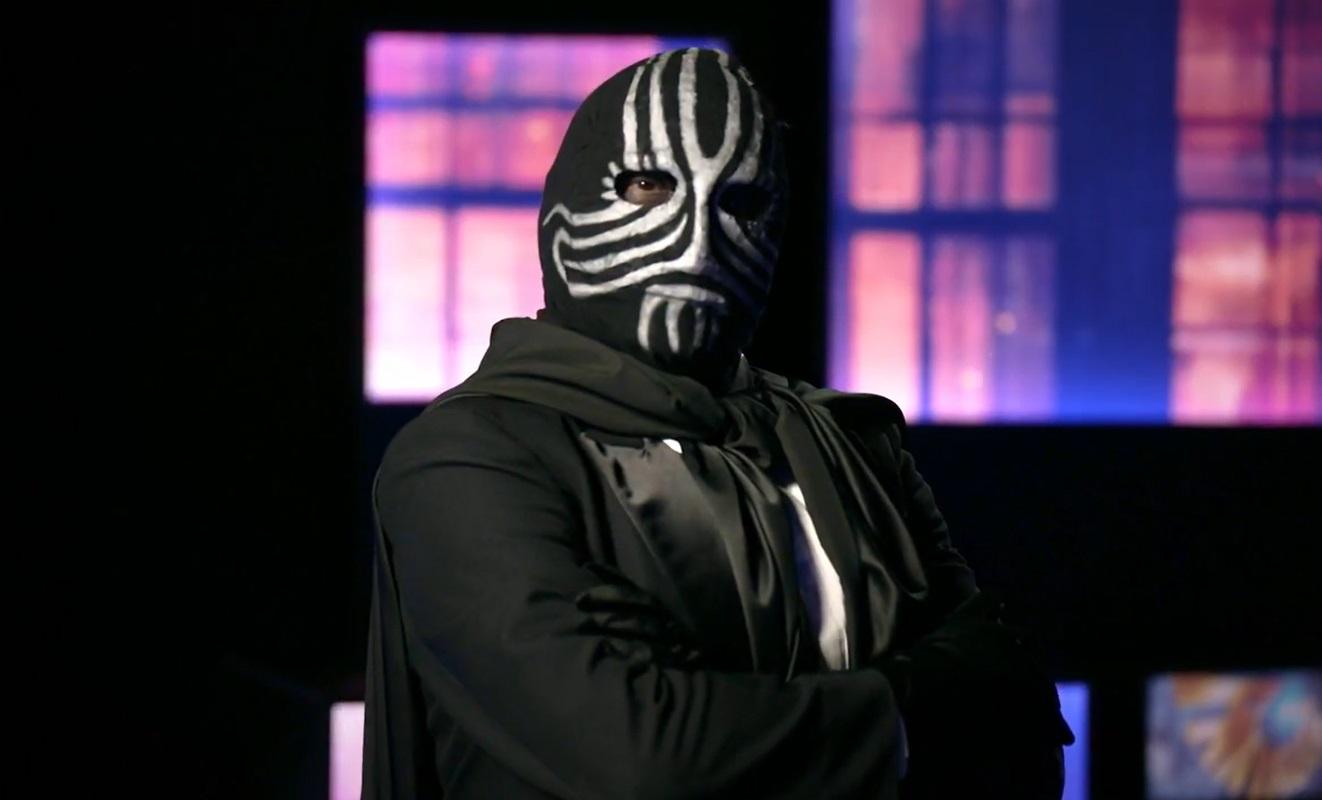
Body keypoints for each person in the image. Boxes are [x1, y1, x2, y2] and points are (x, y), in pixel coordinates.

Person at [362, 47, 1073, 799]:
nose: (697, 243)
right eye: (648, 185)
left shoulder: (852, 443)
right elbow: (644, 756)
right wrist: (920, 703)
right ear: (565, 215)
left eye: (740, 203)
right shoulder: (468, 461)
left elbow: (1025, 742)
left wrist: (741, 715)